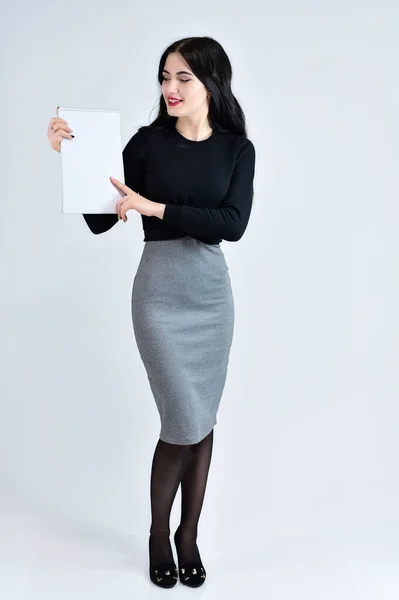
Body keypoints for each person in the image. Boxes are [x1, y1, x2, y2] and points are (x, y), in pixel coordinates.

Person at [47, 35, 256, 589]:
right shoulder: (146, 145)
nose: (169, 88)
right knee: (180, 422)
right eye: (165, 76)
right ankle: (158, 535)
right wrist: (73, 156)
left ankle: (189, 536)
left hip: (211, 295)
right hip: (160, 296)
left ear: (212, 83)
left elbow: (231, 225)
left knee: (203, 420)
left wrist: (155, 206)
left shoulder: (237, 149)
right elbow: (99, 217)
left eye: (183, 77)